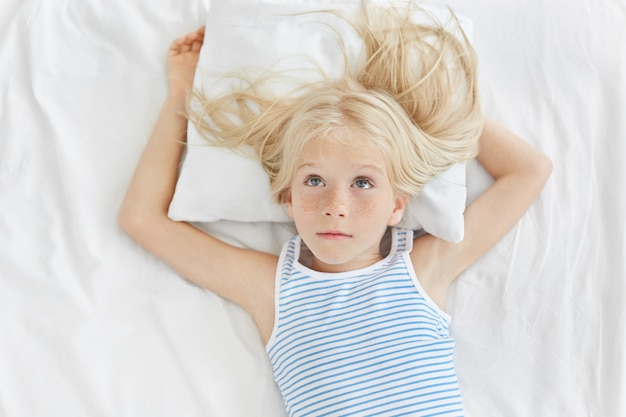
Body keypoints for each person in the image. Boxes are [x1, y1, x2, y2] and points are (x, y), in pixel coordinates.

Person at [119, 4, 552, 416]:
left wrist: (440, 116)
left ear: (396, 205)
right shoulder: (270, 289)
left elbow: (530, 170)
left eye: (363, 183)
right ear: (287, 198)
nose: (335, 207)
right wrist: (181, 93)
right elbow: (141, 219)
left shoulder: (423, 268)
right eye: (313, 181)